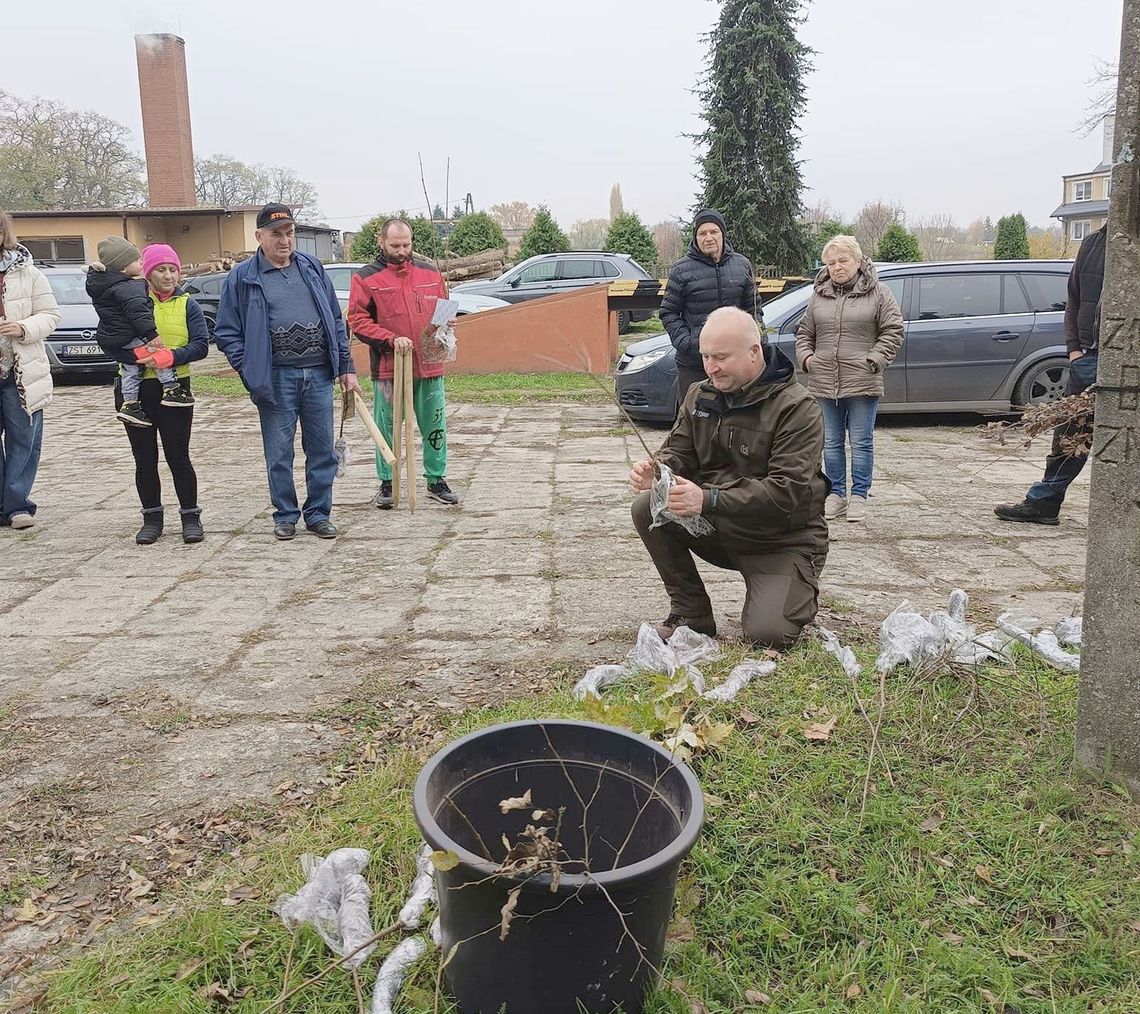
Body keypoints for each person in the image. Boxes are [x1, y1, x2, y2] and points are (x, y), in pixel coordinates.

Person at [630, 306, 829, 648]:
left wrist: (707, 499)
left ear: (754, 353)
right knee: (648, 505)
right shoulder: (700, 394)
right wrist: (658, 470)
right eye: (706, 356)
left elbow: (788, 492)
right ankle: (691, 613)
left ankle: (793, 588)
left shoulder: (797, 408)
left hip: (781, 539)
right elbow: (679, 452)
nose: (710, 367)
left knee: (768, 635)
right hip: (722, 526)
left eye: (721, 357)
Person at [215, 203, 359, 541]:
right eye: (276, 234)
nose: (285, 240)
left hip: (319, 375)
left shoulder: (311, 267)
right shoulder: (242, 277)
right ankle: (285, 515)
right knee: (279, 452)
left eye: (290, 233)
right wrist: (248, 369)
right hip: (275, 377)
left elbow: (336, 322)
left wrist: (345, 366)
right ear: (259, 237)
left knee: (322, 450)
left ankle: (319, 514)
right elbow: (226, 331)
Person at [994, 223, 1106, 526]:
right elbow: (1074, 300)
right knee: (1070, 435)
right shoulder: (1094, 243)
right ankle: (1044, 502)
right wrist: (1075, 350)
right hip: (1088, 356)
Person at [347, 217, 459, 508]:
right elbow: (357, 320)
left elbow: (444, 308)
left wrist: (444, 328)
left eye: (406, 244)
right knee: (388, 426)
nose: (401, 250)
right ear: (381, 242)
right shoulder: (366, 277)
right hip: (389, 367)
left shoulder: (430, 273)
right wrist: (388, 338)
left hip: (429, 364)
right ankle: (388, 481)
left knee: (435, 425)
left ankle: (436, 479)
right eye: (395, 245)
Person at [795, 235, 904, 524]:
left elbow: (893, 331)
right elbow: (805, 333)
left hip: (862, 381)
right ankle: (836, 494)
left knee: (861, 441)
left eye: (843, 260)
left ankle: (859, 495)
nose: (837, 267)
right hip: (823, 381)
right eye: (831, 262)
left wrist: (874, 360)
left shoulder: (879, 293)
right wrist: (807, 359)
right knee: (830, 442)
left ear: (858, 262)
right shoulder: (819, 294)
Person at [115, 243, 210, 545]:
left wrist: (170, 357)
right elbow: (112, 340)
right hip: (135, 390)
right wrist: (138, 354)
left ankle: (190, 517)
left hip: (175, 389)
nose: (168, 276)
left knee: (178, 456)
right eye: (161, 270)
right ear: (147, 272)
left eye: (173, 269)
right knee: (144, 458)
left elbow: (201, 345)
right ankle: (152, 518)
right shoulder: (130, 301)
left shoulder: (187, 304)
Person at [85, 236, 193, 427]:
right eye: (137, 261)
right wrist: (151, 335)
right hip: (132, 342)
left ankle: (130, 404)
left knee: (131, 369)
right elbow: (138, 313)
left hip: (122, 340)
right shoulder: (129, 288)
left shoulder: (103, 286)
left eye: (173, 269)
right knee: (155, 351)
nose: (140, 263)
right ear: (123, 266)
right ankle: (171, 388)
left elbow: (201, 345)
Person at [660, 208, 758, 407]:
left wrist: (756, 338)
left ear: (723, 234)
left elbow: (753, 307)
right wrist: (688, 343)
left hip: (734, 361)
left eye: (714, 232)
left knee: (736, 420)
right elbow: (668, 312)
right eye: (702, 233)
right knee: (695, 420)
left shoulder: (742, 265)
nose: (709, 237)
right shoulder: (682, 270)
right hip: (694, 364)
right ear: (696, 238)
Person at [0, 210, 60, 530]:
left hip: (21, 371)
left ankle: (17, 505)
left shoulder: (29, 273)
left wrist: (23, 327)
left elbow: (50, 315)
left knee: (24, 439)